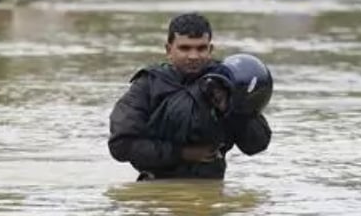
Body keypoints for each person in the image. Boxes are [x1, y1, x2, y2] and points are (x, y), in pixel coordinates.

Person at [108, 13, 272, 181]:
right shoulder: (148, 85)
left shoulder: (228, 83)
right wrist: (183, 153)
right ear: (168, 50)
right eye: (185, 48)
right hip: (157, 187)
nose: (193, 56)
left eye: (201, 48)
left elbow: (257, 145)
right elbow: (121, 145)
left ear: (210, 49)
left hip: (211, 188)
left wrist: (232, 109)